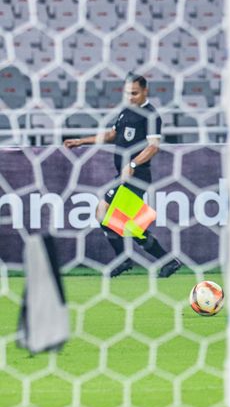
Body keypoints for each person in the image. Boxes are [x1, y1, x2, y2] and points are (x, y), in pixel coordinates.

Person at [64, 73, 182, 278]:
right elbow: (112, 135)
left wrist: (134, 163)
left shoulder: (151, 115)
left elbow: (153, 147)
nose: (130, 97)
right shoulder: (126, 111)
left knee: (103, 211)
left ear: (145, 91)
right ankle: (167, 261)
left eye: (134, 93)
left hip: (138, 177)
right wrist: (82, 141)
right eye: (127, 93)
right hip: (123, 176)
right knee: (129, 225)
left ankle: (126, 259)